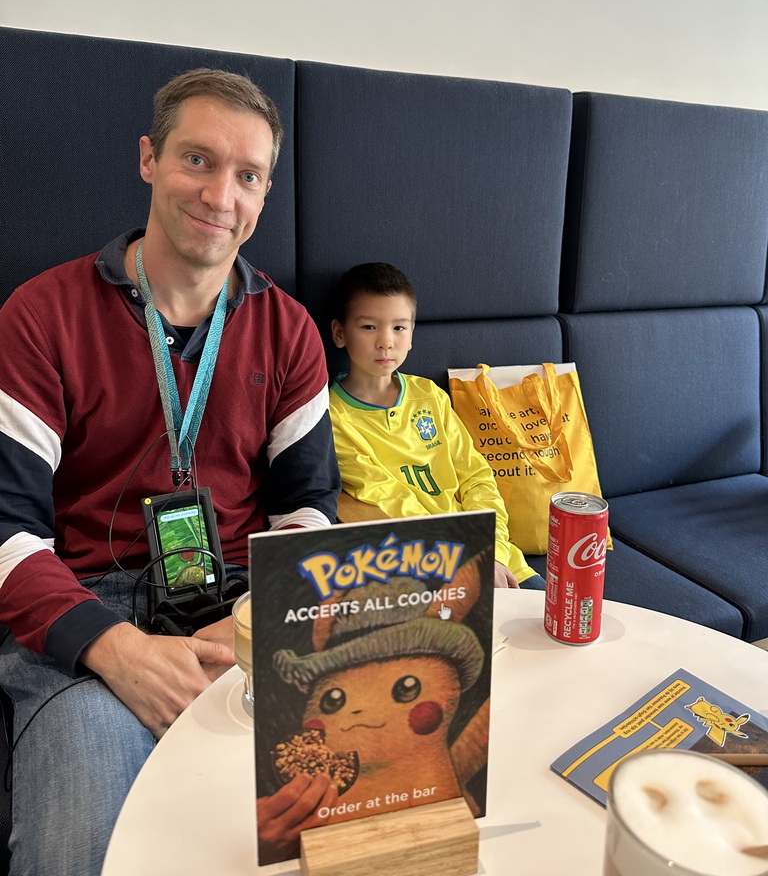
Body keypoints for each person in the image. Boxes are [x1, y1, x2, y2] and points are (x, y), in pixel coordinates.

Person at [0, 68, 340, 876]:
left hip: (242, 607)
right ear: (149, 159)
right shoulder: (40, 316)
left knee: (356, 818)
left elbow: (309, 509)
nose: (221, 194)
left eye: (248, 175)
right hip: (83, 613)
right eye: (198, 160)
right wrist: (116, 649)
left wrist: (258, 617)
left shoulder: (289, 332)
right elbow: (7, 531)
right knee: (85, 850)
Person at [328, 262, 546, 590]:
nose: (386, 342)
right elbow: (385, 497)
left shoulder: (429, 394)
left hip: (496, 558)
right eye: (369, 327)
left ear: (412, 336)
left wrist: (495, 549)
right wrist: (465, 557)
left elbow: (476, 478)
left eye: (399, 328)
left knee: (559, 626)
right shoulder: (332, 415)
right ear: (340, 333)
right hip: (423, 568)